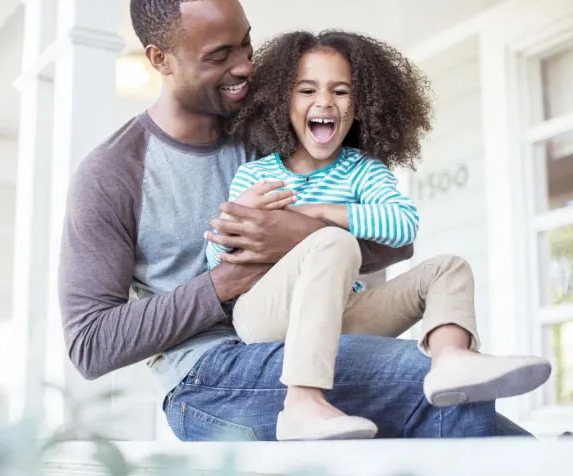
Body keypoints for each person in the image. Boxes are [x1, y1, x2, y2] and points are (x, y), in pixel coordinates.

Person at [58, 0, 534, 440]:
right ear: (160, 59)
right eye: (220, 54)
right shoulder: (114, 173)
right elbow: (91, 346)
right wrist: (227, 279)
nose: (245, 66)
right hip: (204, 375)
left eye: (246, 42)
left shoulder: (273, 131)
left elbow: (395, 241)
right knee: (429, 382)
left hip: (317, 329)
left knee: (454, 388)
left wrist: (305, 229)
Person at [204, 30, 551, 441]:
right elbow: (216, 265)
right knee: (334, 242)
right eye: (306, 90)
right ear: (283, 101)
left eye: (341, 91)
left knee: (447, 268)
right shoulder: (258, 175)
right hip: (266, 314)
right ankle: (301, 403)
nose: (324, 102)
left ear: (361, 104)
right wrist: (237, 222)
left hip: (341, 312)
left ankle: (452, 358)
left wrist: (320, 212)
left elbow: (402, 223)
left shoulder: (363, 171)